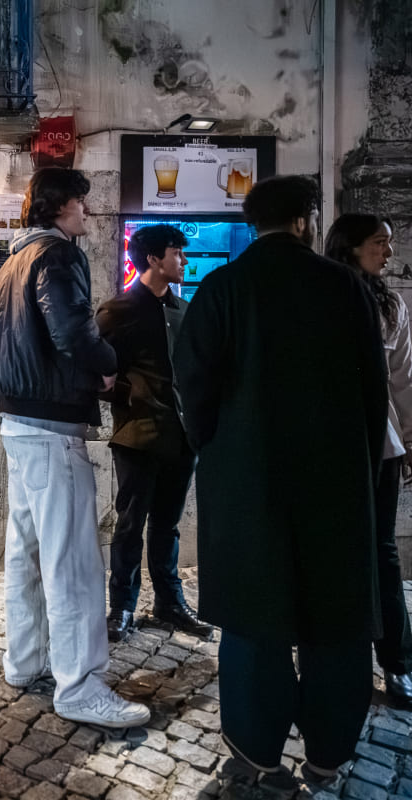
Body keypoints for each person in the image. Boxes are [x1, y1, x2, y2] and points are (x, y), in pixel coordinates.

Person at [174, 177, 387, 784]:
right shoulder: (346, 287)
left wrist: (215, 447)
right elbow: (374, 393)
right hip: (334, 481)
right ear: (306, 220)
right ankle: (327, 753)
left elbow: (193, 386)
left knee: (253, 616)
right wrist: (362, 467)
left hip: (247, 482)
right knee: (337, 619)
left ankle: (256, 749)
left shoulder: (221, 288)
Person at [0, 167, 149, 729]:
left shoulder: (10, 263)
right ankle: (79, 685)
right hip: (52, 423)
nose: (88, 211)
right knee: (73, 558)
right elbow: (72, 332)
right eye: (81, 201)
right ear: (59, 206)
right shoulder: (57, 256)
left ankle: (24, 661)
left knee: (27, 549)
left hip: (18, 418)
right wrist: (106, 367)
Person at [96, 224, 211, 642]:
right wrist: (130, 395)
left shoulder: (184, 311)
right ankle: (122, 608)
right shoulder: (118, 311)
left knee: (168, 525)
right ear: (152, 259)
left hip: (182, 437)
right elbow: (94, 373)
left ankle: (170, 603)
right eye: (177, 253)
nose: (183, 260)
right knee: (130, 524)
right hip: (138, 436)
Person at [325, 213, 412, 709]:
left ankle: (397, 662)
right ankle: (339, 658)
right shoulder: (324, 294)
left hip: (379, 445)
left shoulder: (390, 303)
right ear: (352, 246)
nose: (387, 252)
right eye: (380, 243)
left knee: (383, 551)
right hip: (330, 446)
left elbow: (403, 379)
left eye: (390, 243)